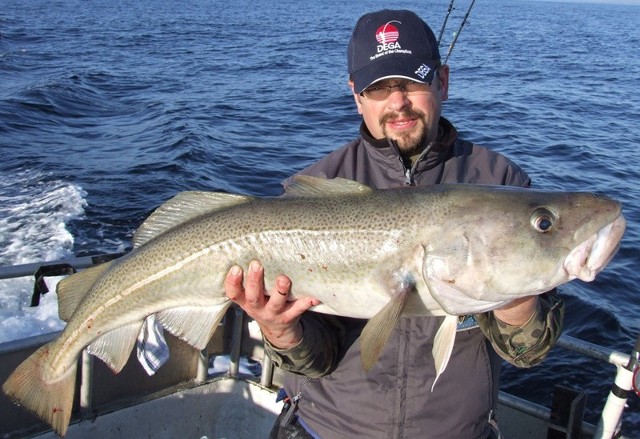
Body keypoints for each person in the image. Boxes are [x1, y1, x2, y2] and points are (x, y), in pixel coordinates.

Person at [225, 9, 564, 439]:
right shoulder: (313, 189)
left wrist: (516, 294)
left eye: (412, 83)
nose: (398, 102)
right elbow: (317, 359)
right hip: (326, 430)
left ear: (442, 81)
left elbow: (528, 353)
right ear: (356, 95)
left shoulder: (502, 184)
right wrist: (281, 331)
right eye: (379, 88)